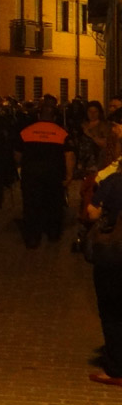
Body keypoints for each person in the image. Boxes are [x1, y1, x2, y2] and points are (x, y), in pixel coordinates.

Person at [15, 103, 75, 248]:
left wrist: (21, 168)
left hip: (31, 175)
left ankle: (32, 238)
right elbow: (69, 155)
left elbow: (17, 154)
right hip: (54, 175)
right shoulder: (61, 132)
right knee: (54, 205)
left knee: (31, 206)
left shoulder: (26, 131)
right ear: (54, 117)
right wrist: (69, 176)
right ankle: (53, 234)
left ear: (38, 116)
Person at [85, 164, 122, 386]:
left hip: (115, 255)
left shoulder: (115, 182)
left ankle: (116, 368)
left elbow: (92, 212)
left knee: (113, 313)